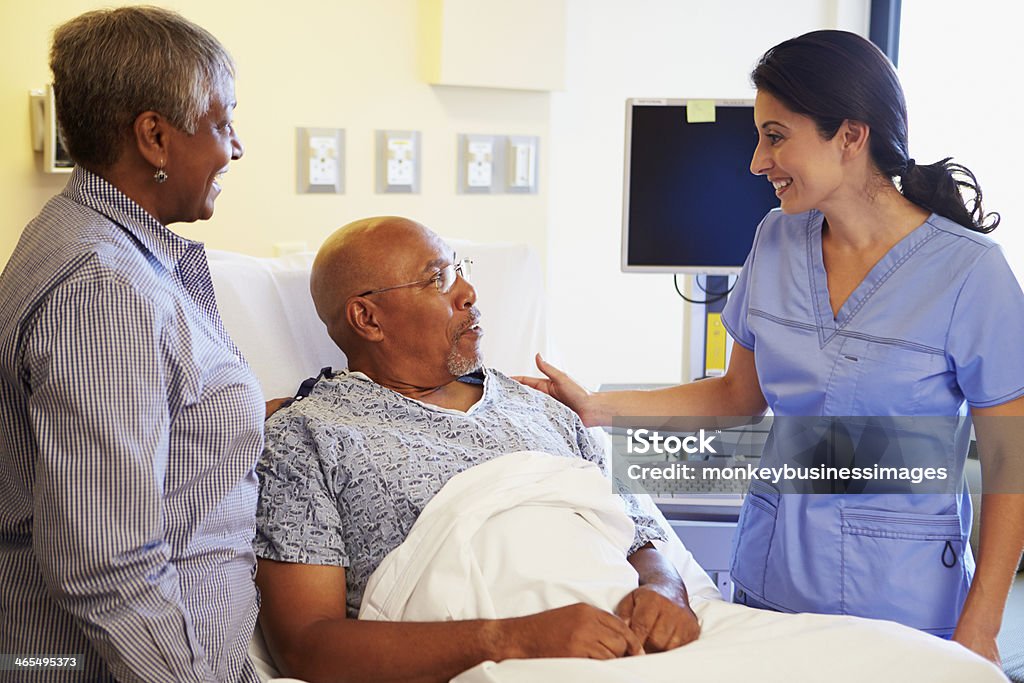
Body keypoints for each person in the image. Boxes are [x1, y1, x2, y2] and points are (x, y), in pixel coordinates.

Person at [517, 29, 1024, 665]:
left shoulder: (969, 273)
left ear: (850, 135)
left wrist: (981, 623)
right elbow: (735, 397)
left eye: (776, 136)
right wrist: (595, 406)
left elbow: (1011, 462)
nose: (758, 162)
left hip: (903, 597)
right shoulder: (777, 241)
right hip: (772, 579)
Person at [254, 216, 701, 683]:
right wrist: (514, 640)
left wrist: (668, 590)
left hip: (641, 645)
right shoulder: (308, 436)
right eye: (438, 278)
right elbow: (307, 647)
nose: (468, 292)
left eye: (459, 269)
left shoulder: (542, 406)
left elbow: (639, 533)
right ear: (367, 318)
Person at [0, 7, 261, 682]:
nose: (236, 148)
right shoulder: (105, 288)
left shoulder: (80, 234)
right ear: (155, 137)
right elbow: (109, 564)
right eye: (224, 120)